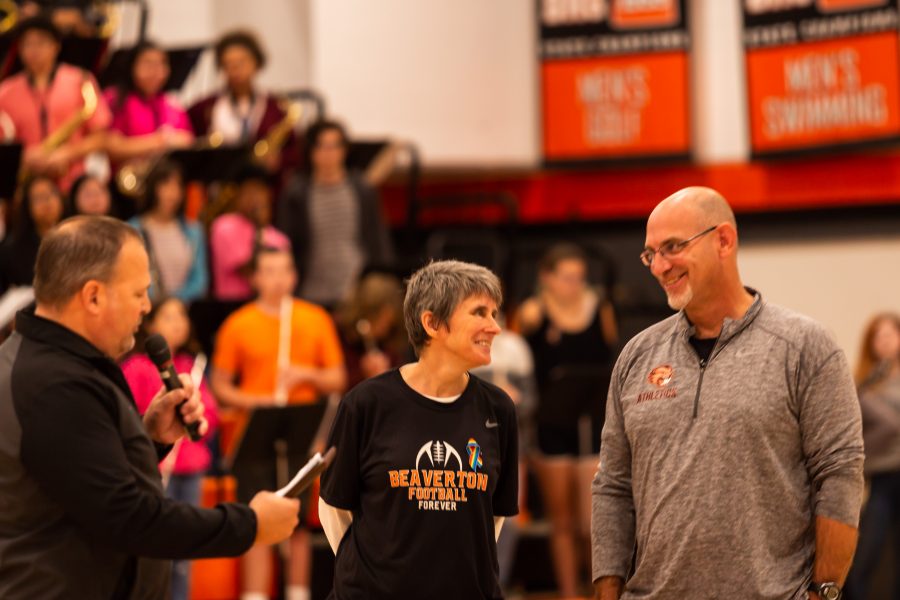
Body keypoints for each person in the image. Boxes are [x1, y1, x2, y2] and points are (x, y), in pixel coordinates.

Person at [0, 215, 300, 599]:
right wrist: (251, 524)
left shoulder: (47, 359)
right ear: (93, 296)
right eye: (139, 293)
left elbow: (83, 478)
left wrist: (149, 437)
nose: (146, 307)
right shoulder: (55, 384)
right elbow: (130, 518)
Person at [591, 187, 865, 600]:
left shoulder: (805, 346)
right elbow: (613, 485)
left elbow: (840, 474)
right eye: (651, 253)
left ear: (723, 240)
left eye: (673, 247)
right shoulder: (637, 356)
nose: (659, 266)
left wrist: (823, 592)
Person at [319, 259, 519, 599]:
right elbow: (334, 509)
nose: (494, 327)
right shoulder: (366, 404)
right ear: (432, 323)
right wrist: (374, 575)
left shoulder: (498, 409)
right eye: (479, 313)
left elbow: (492, 519)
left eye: (494, 313)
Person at [211, 246, 346, 600]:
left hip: (301, 435)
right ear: (255, 277)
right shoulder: (238, 324)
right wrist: (257, 402)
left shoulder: (315, 318)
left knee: (297, 526)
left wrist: (305, 374)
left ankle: (297, 594)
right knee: (257, 522)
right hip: (254, 436)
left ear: (294, 276)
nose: (276, 279)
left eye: (283, 270)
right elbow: (220, 386)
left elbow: (337, 378)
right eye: (268, 271)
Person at [517, 242, 617, 597]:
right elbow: (518, 362)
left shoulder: (599, 309)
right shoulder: (532, 313)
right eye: (567, 277)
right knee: (561, 522)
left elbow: (607, 357)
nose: (574, 284)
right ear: (546, 277)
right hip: (550, 424)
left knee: (592, 524)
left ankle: (599, 593)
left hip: (590, 422)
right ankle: (568, 594)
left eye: (579, 277)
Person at [121, 295, 219, 600]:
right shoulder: (136, 367)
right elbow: (129, 415)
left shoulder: (193, 366)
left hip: (191, 467)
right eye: (168, 317)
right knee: (157, 547)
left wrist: (194, 417)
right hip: (157, 467)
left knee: (186, 550)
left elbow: (210, 416)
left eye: (181, 316)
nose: (177, 323)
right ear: (149, 324)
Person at [277, 120, 395, 310]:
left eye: (334, 146)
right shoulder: (296, 193)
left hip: (356, 293)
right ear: (311, 151)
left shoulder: (362, 189)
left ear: (344, 150)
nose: (328, 153)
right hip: (309, 292)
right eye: (322, 146)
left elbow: (377, 238)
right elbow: (285, 242)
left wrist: (380, 283)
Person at [0, 15, 111, 191]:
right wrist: (24, 156)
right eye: (27, 44)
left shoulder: (81, 80)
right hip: (26, 186)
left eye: (41, 43)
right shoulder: (5, 92)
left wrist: (67, 153)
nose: (34, 50)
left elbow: (102, 136)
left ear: (56, 46)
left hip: (74, 183)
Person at [187, 29, 300, 184]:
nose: (235, 70)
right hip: (218, 188)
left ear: (257, 63)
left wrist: (279, 160)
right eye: (228, 64)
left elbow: (295, 149)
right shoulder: (203, 107)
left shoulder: (276, 107)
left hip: (263, 188)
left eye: (241, 63)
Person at [104, 40, 194, 213]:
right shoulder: (116, 99)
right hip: (125, 192)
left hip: (164, 193)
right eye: (148, 64)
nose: (156, 71)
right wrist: (163, 141)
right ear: (132, 66)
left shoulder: (171, 103)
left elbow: (187, 141)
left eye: (162, 64)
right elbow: (112, 147)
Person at [846, 313, 900, 600]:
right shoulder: (865, 383)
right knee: (866, 555)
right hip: (879, 478)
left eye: (890, 335)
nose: (885, 342)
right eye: (878, 337)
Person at [128, 159, 208, 304]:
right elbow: (129, 278)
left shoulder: (193, 231)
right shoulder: (133, 230)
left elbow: (200, 280)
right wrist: (159, 304)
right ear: (153, 187)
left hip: (182, 312)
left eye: (178, 185)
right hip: (146, 310)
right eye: (165, 184)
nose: (173, 193)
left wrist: (175, 302)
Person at [209, 162, 290, 302]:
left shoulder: (279, 238)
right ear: (238, 195)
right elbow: (249, 271)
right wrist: (259, 227)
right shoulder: (223, 226)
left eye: (259, 191)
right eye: (249, 192)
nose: (255, 198)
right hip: (232, 306)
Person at [333, 272, 408, 389]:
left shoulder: (390, 343)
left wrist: (387, 376)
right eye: (378, 315)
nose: (384, 325)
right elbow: (336, 384)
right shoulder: (336, 332)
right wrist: (362, 374)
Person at [0, 174, 64, 293]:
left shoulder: (74, 239)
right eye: (39, 197)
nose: (47, 202)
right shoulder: (11, 249)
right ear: (27, 206)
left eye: (51, 194)